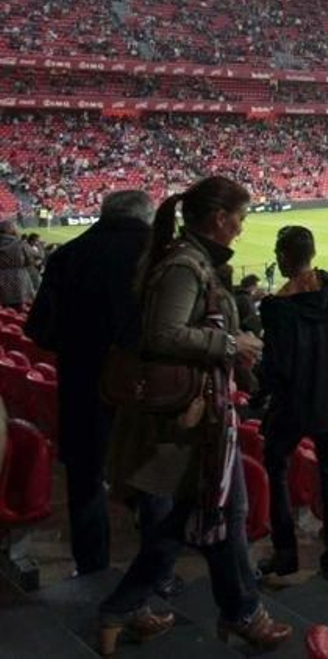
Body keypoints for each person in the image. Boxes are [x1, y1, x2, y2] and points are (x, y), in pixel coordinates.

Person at [98, 176, 292, 653]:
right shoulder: (185, 265)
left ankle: (128, 608)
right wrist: (230, 344)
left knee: (199, 517)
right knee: (224, 512)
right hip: (193, 416)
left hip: (204, 411)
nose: (242, 228)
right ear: (219, 218)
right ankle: (241, 613)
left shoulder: (190, 260)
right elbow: (163, 334)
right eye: (240, 218)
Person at [24, 190, 154, 576]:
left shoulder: (69, 254)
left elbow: (40, 329)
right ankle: (156, 571)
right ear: (146, 216)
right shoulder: (163, 253)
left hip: (83, 383)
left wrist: (83, 345)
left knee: (85, 479)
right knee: (155, 476)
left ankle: (92, 569)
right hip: (148, 386)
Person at [256, 225, 328, 586]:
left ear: (284, 256)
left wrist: (261, 394)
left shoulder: (277, 307)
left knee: (276, 467)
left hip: (295, 404)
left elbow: (277, 366)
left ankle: (285, 553)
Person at [0, 219, 30, 309]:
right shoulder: (20, 243)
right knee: (19, 307)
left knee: (5, 308)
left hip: (2, 277)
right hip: (18, 278)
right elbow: (29, 261)